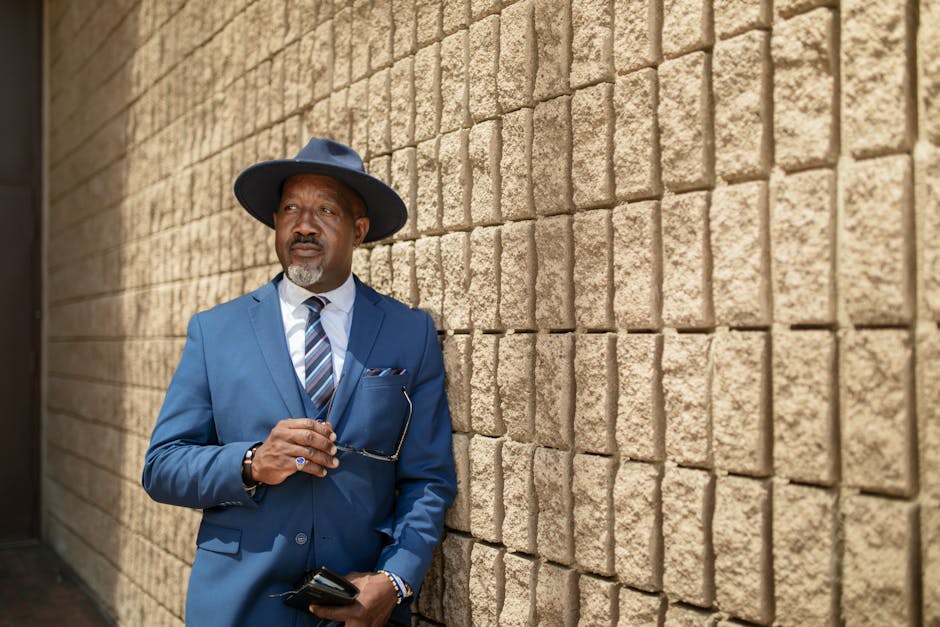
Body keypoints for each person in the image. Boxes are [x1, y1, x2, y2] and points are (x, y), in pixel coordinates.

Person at [141, 137, 456, 626]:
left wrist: (395, 580)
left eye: (325, 209)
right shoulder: (216, 331)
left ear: (359, 229)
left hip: (357, 606)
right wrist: (250, 462)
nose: (304, 224)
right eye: (291, 207)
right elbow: (162, 467)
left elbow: (429, 479)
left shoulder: (407, 332)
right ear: (276, 222)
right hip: (238, 609)